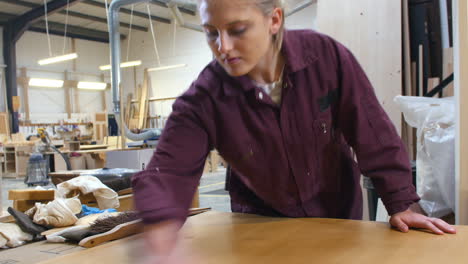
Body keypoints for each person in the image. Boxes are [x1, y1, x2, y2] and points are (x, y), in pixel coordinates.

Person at [132, 0, 456, 261]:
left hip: (337, 215)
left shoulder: (326, 57)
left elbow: (371, 130)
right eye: (210, 32)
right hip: (259, 222)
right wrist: (160, 229)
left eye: (237, 30)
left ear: (274, 20)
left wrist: (401, 202)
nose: (223, 47)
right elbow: (169, 170)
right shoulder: (205, 96)